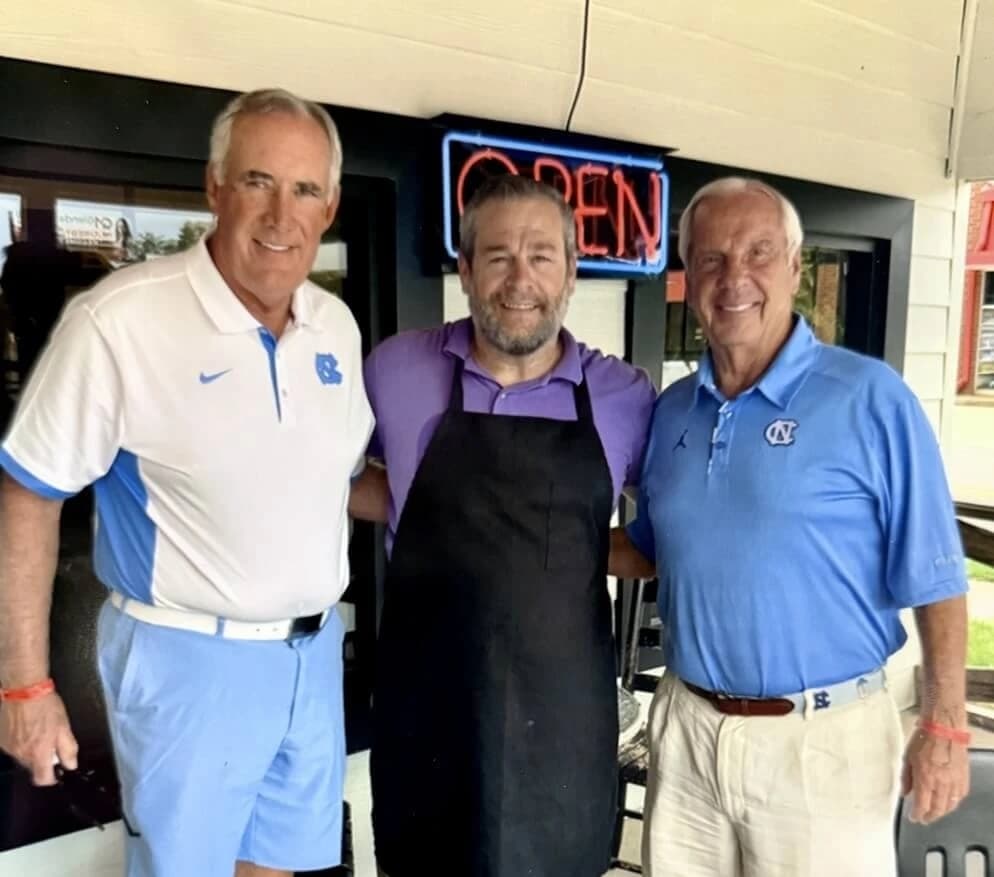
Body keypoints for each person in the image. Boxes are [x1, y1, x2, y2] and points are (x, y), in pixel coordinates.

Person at [0, 88, 372, 877]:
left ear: (332, 204)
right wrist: (24, 687)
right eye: (257, 181)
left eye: (305, 189)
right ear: (214, 187)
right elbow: (29, 491)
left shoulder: (333, 326)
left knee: (277, 869)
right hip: (186, 663)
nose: (281, 215)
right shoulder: (122, 320)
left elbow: (338, 478)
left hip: (309, 660)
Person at [613, 177, 970, 877]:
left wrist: (943, 725)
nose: (734, 277)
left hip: (821, 741)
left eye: (759, 253)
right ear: (688, 276)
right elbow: (654, 550)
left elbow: (937, 573)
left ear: (797, 268)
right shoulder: (673, 409)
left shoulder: (868, 397)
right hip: (688, 731)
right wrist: (527, 545)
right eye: (711, 259)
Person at [357, 173, 656, 877]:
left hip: (560, 729)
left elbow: (679, 526)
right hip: (426, 717)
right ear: (464, 270)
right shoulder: (395, 369)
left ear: (572, 272)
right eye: (496, 256)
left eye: (542, 255)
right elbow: (331, 473)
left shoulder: (625, 397)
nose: (520, 278)